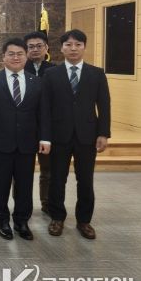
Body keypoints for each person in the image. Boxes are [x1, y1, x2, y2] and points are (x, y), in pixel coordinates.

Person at [41, 29, 111, 240]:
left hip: (87, 136)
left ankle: (84, 221)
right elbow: (45, 108)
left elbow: (104, 105)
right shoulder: (51, 74)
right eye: (68, 45)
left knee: (86, 180)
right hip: (59, 135)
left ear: (84, 47)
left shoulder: (97, 73)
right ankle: (57, 218)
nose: (73, 48)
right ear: (61, 48)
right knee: (56, 179)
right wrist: (45, 136)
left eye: (78, 44)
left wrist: (103, 133)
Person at [0, 38, 50, 241]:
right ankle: (2, 220)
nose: (16, 57)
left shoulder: (37, 82)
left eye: (20, 53)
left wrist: (45, 138)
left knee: (25, 185)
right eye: (11, 54)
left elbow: (43, 113)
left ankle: (21, 221)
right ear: (3, 57)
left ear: (26, 56)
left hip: (27, 143)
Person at [23, 31, 55, 215]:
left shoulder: (55, 70)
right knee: (21, 173)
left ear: (46, 48)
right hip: (24, 128)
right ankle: (21, 205)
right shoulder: (18, 68)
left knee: (47, 170)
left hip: (47, 129)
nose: (35, 50)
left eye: (39, 46)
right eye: (31, 46)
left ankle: (47, 202)